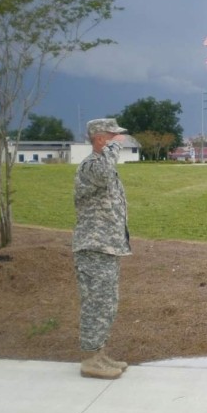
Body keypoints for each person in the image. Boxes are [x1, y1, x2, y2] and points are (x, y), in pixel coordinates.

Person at [72, 118, 132, 379]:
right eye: (113, 136)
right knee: (96, 304)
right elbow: (104, 173)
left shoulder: (101, 163)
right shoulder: (92, 165)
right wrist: (114, 148)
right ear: (99, 139)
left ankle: (100, 354)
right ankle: (89, 360)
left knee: (107, 304)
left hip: (106, 247)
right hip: (93, 247)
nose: (120, 139)